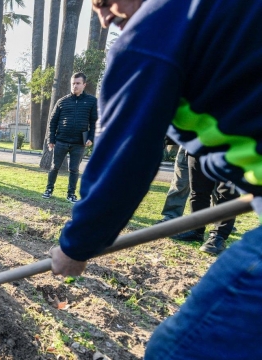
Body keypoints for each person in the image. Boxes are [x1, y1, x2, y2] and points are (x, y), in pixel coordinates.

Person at [50, 1, 262, 358]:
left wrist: (76, 246)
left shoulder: (149, 35)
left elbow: (125, 160)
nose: (104, 19)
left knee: (176, 350)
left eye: (104, 2)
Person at [42, 72, 97, 203]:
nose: (75, 86)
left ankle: (71, 194)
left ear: (84, 85)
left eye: (78, 83)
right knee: (54, 167)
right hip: (61, 141)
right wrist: (51, 140)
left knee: (74, 170)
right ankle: (48, 190)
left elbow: (94, 121)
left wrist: (91, 137)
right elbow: (52, 121)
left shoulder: (92, 101)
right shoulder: (62, 101)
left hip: (79, 143)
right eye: (73, 83)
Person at [170, 154, 239, 255]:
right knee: (198, 191)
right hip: (198, 144)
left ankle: (219, 237)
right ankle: (197, 230)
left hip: (231, 146)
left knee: (227, 193)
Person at [157, 145, 189, 223]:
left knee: (217, 187)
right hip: (188, 143)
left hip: (218, 144)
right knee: (179, 183)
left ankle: (220, 223)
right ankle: (171, 216)